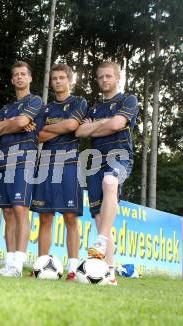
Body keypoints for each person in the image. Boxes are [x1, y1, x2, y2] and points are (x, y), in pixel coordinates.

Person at [75, 61, 139, 285]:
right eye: (101, 77)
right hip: (94, 159)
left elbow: (117, 124)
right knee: (101, 218)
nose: (104, 80)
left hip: (120, 154)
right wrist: (105, 123)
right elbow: (80, 130)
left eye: (108, 76)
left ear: (118, 77)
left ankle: (101, 240)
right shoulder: (93, 109)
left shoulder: (128, 100)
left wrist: (99, 126)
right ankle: (110, 273)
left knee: (111, 182)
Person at [31, 63, 87, 281]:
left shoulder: (78, 102)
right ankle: (41, 265)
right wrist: (62, 127)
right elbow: (38, 136)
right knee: (45, 217)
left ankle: (73, 269)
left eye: (62, 78)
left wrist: (53, 129)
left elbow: (73, 125)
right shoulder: (45, 109)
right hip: (45, 163)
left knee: (70, 217)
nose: (58, 81)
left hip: (69, 162)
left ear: (70, 80)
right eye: (55, 78)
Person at [0, 61, 43, 277]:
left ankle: (18, 265)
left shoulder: (35, 100)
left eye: (23, 74)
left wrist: (10, 125)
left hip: (24, 159)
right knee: (7, 212)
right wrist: (14, 123)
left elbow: (22, 121)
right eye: (16, 75)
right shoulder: (6, 108)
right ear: (12, 80)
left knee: (20, 210)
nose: (19, 77)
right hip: (4, 159)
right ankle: (8, 262)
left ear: (30, 78)